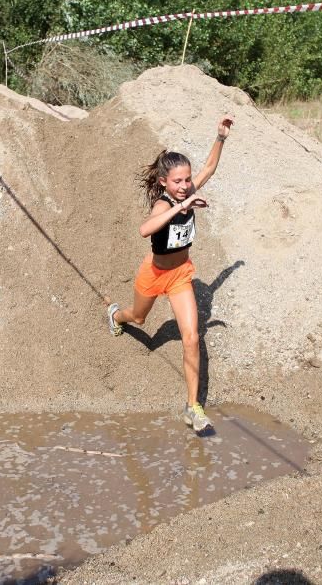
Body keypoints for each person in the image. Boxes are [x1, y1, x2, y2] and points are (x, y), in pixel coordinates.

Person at [106, 116, 234, 434]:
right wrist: (181, 205)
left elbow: (209, 168)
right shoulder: (163, 206)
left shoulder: (189, 189)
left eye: (187, 180)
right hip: (154, 274)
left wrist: (220, 137)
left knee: (191, 337)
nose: (185, 185)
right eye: (178, 181)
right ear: (164, 182)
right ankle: (116, 316)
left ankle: (192, 407)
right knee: (138, 318)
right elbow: (144, 229)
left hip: (179, 275)